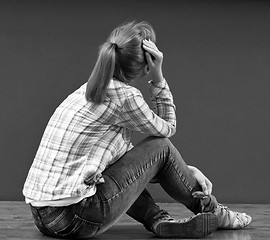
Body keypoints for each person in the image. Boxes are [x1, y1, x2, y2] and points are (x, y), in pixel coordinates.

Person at [22, 21, 251, 239]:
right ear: (146, 64)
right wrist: (159, 76)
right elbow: (167, 129)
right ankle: (213, 211)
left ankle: (160, 222)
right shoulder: (125, 96)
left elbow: (134, 166)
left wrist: (189, 171)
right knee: (161, 146)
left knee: (124, 169)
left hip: (44, 217)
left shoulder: (87, 91)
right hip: (78, 216)